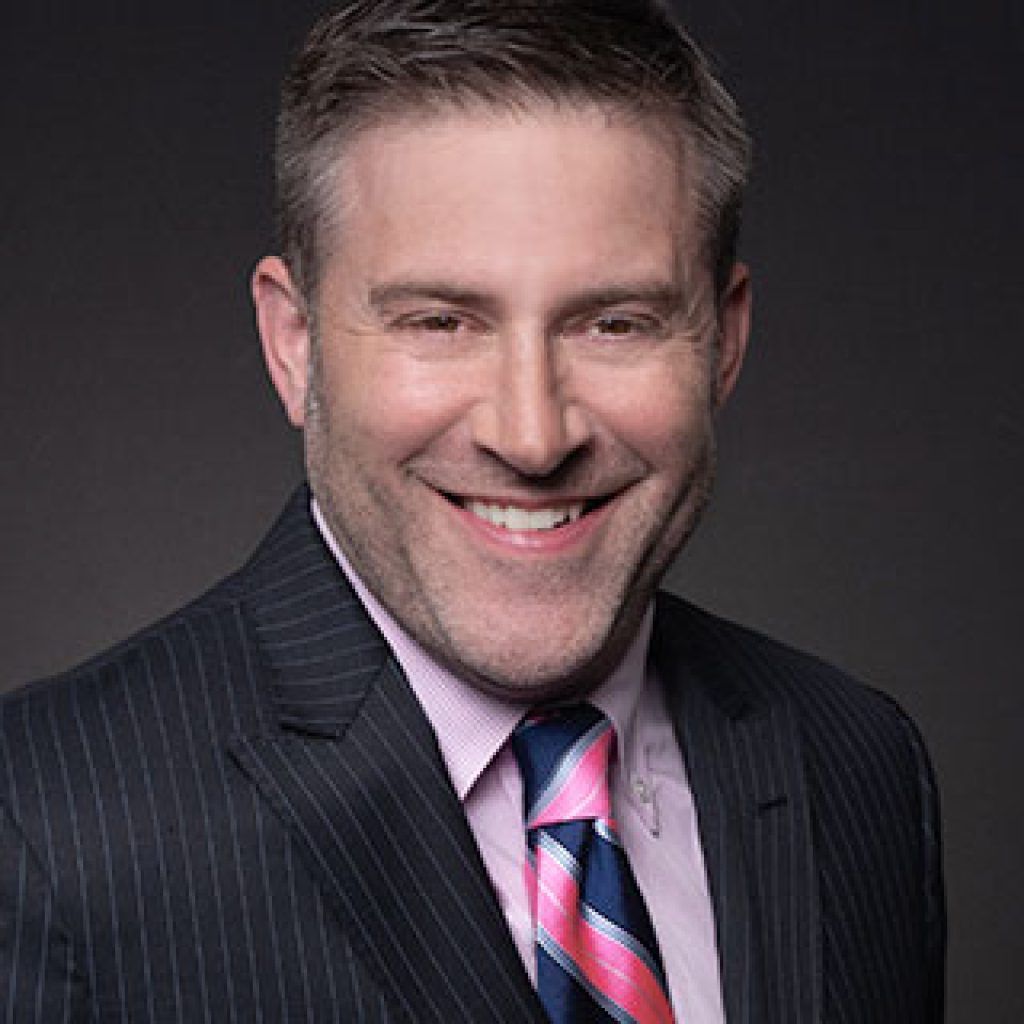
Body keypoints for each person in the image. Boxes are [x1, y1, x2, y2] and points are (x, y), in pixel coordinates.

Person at [0, 1, 944, 1021]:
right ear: (294, 343)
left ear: (722, 340)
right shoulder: (41, 822)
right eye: (441, 321)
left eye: (614, 322)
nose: (532, 437)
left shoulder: (856, 760)